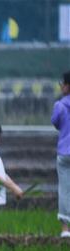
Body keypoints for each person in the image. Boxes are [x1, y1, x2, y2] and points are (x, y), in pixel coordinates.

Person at [52, 70, 70, 238]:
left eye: (62, 84)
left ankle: (66, 229)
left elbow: (56, 123)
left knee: (65, 189)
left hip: (65, 152)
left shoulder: (60, 105)